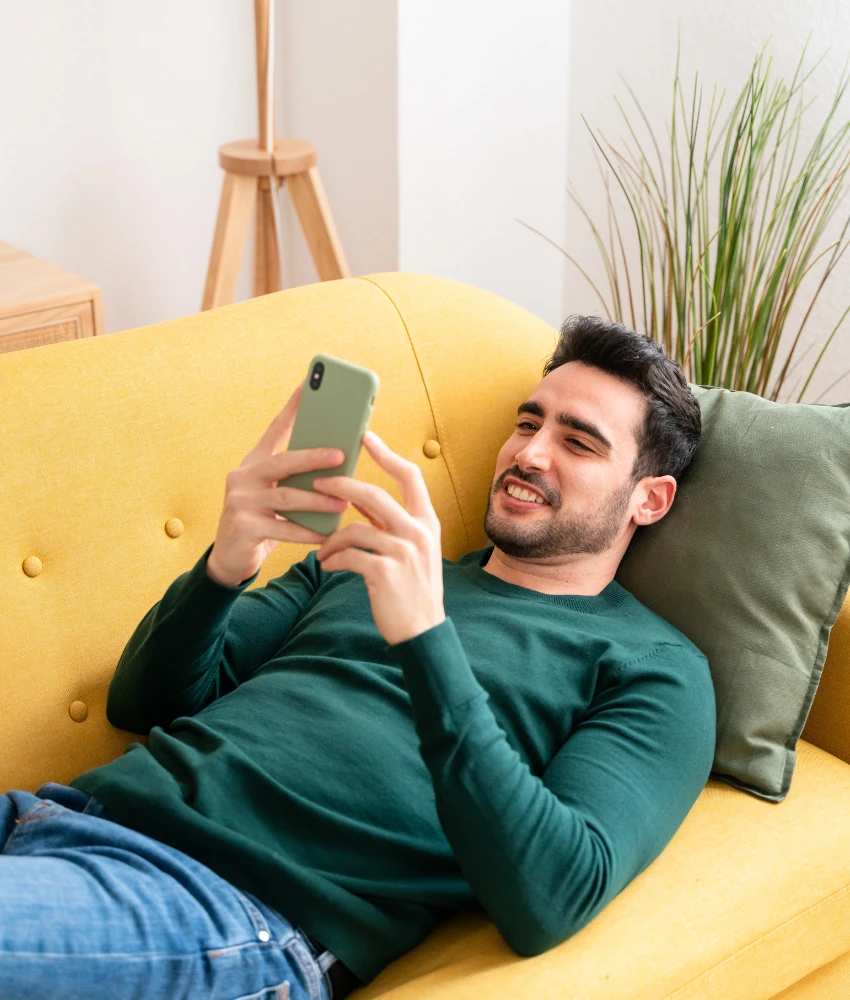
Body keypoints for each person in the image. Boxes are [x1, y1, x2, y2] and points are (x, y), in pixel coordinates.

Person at [0, 316, 716, 1000]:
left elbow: (553, 895)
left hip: (222, 909)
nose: (529, 452)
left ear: (648, 500)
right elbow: (144, 704)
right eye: (529, 423)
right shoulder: (354, 564)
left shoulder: (655, 668)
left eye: (579, 442)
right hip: (62, 817)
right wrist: (226, 562)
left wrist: (426, 640)